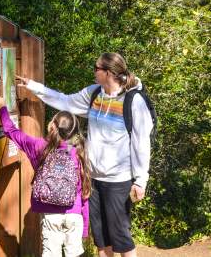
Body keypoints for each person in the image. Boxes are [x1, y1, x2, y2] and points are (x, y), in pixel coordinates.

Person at [16, 52, 153, 257]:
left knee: (120, 236)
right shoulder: (94, 93)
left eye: (96, 68)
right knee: (100, 237)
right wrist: (33, 86)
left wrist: (141, 180)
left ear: (108, 73)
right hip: (92, 178)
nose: (94, 72)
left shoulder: (133, 101)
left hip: (119, 180)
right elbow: (64, 101)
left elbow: (141, 143)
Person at [0, 95, 91, 257]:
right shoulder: (79, 152)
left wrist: (3, 108)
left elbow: (11, 131)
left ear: (52, 126)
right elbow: (84, 192)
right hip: (74, 214)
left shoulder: (39, 147)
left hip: (50, 214)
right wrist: (85, 226)